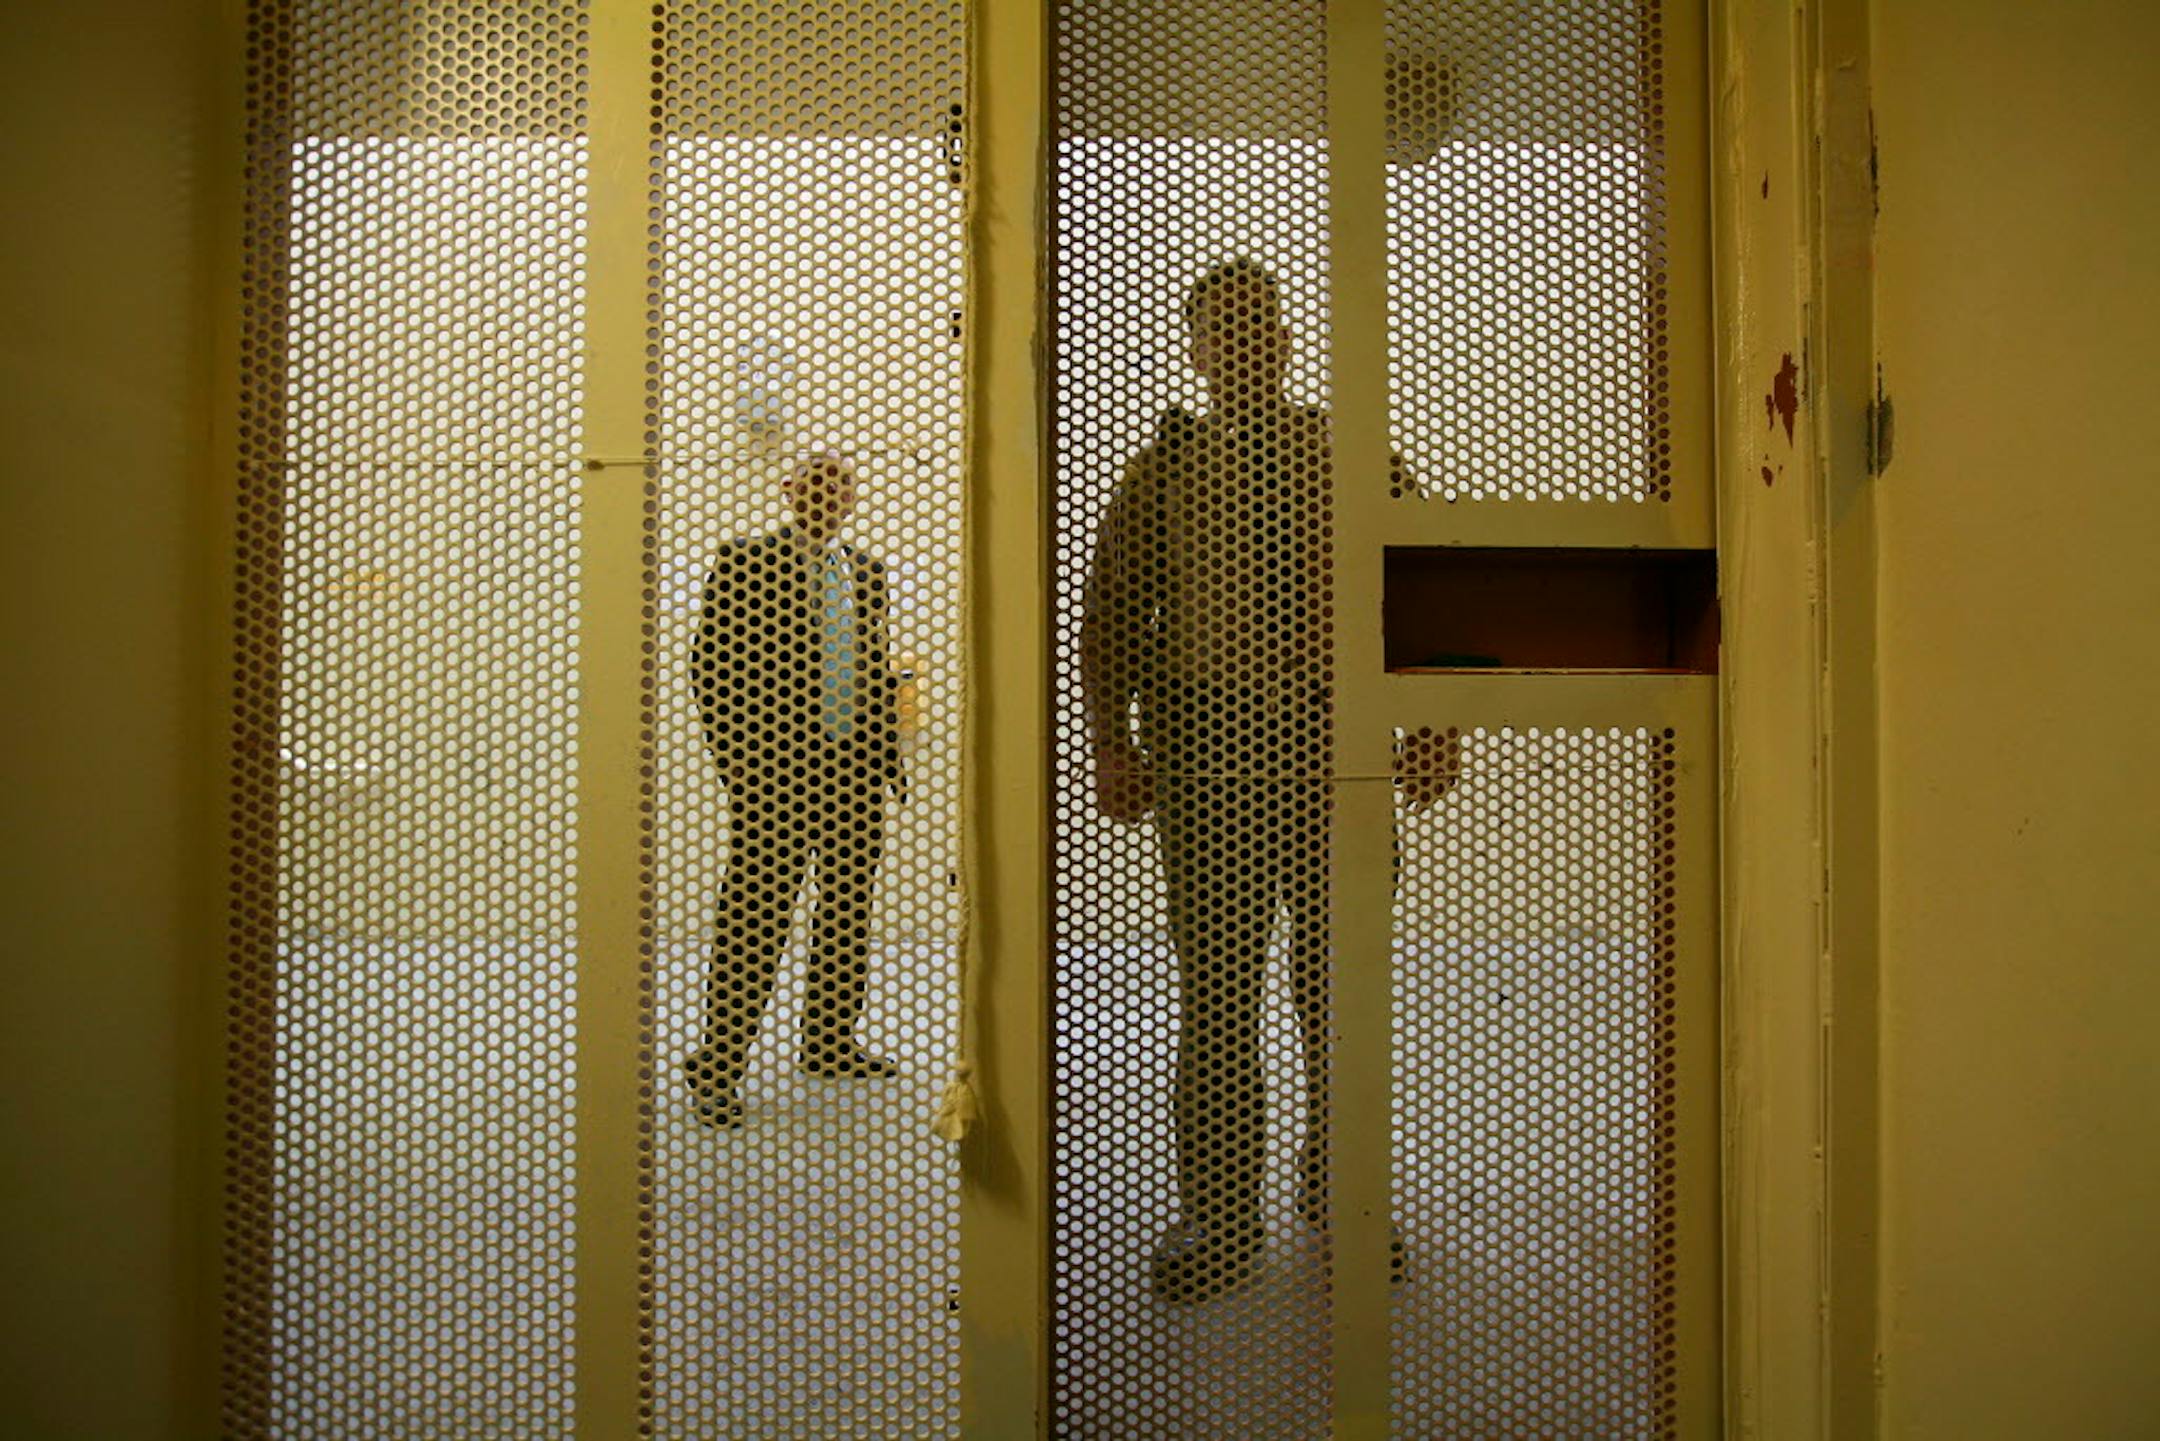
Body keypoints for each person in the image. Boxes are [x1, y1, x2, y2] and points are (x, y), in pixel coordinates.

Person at [1081, 260, 1339, 1302]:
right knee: (1222, 992)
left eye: (1262, 322)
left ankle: (1344, 1192)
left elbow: (1421, 581)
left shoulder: (1346, 455)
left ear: (1286, 341)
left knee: (1340, 989)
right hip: (1210, 750)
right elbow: (1110, 618)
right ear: (1194, 351)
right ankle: (1223, 1215)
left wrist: (1436, 721)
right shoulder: (1163, 472)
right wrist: (1111, 744)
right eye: (1223, 326)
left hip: (1334, 750)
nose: (1246, 339)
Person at [685, 454, 905, 1129]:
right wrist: (741, 770)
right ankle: (717, 1067)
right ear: (789, 491)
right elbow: (709, 668)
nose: (830, 491)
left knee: (846, 909)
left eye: (842, 480)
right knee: (757, 914)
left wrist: (883, 753)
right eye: (816, 479)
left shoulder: (865, 572)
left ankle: (828, 1039)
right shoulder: (745, 561)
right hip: (776, 776)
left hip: (854, 772)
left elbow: (868, 664)